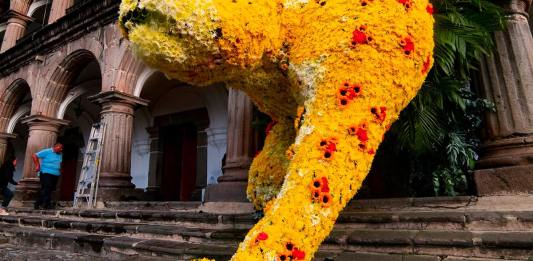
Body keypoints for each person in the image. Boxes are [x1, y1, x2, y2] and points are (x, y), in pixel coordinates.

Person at [33, 143, 63, 210]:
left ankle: (42, 204)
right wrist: (37, 165)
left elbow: (59, 163)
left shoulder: (60, 154)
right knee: (47, 187)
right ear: (55, 147)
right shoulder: (47, 151)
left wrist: (60, 172)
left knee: (49, 189)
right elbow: (35, 155)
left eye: (61, 148)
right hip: (46, 172)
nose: (61, 149)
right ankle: (42, 204)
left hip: (55, 174)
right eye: (60, 148)